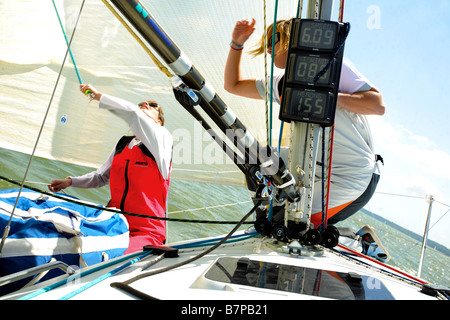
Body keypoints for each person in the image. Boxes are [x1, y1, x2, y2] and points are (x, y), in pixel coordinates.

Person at [225, 18, 385, 228]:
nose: (268, 48)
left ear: (292, 39)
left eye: (274, 39)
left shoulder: (332, 65)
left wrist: (324, 96)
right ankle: (263, 220)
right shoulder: (281, 84)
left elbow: (377, 105)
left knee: (288, 220)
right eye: (266, 42)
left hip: (352, 177)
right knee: (255, 158)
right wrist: (237, 43)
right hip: (313, 165)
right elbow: (233, 85)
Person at [49, 84, 173, 254]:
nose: (146, 104)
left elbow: (133, 115)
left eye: (152, 106)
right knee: (66, 239)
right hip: (114, 221)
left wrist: (99, 96)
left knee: (111, 257)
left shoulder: (163, 139)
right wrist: (70, 182)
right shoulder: (123, 144)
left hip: (146, 231)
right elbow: (101, 177)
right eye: (143, 103)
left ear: (159, 121)